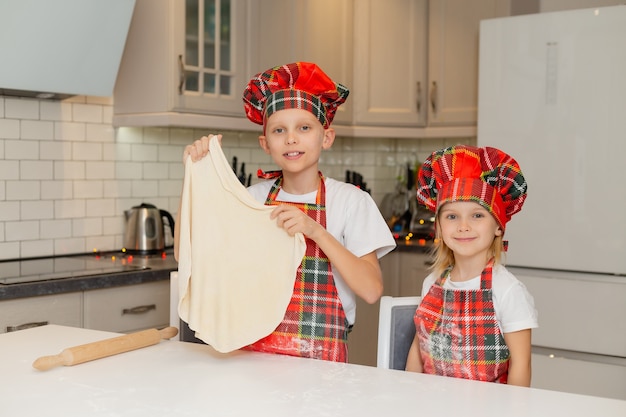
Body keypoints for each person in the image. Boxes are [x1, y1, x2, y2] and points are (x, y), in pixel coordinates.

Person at [175, 62, 396, 362]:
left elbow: (371, 290)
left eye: (304, 128)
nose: (291, 139)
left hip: (322, 364)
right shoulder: (252, 199)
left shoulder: (350, 202)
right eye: (279, 130)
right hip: (253, 357)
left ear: (326, 137)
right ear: (266, 143)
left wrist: (315, 231)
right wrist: (194, 174)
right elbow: (186, 255)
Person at [405, 145, 538, 386]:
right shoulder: (432, 283)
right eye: (452, 216)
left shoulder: (507, 289)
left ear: (498, 226)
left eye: (477, 215)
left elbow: (521, 366)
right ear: (439, 227)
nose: (463, 226)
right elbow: (418, 349)